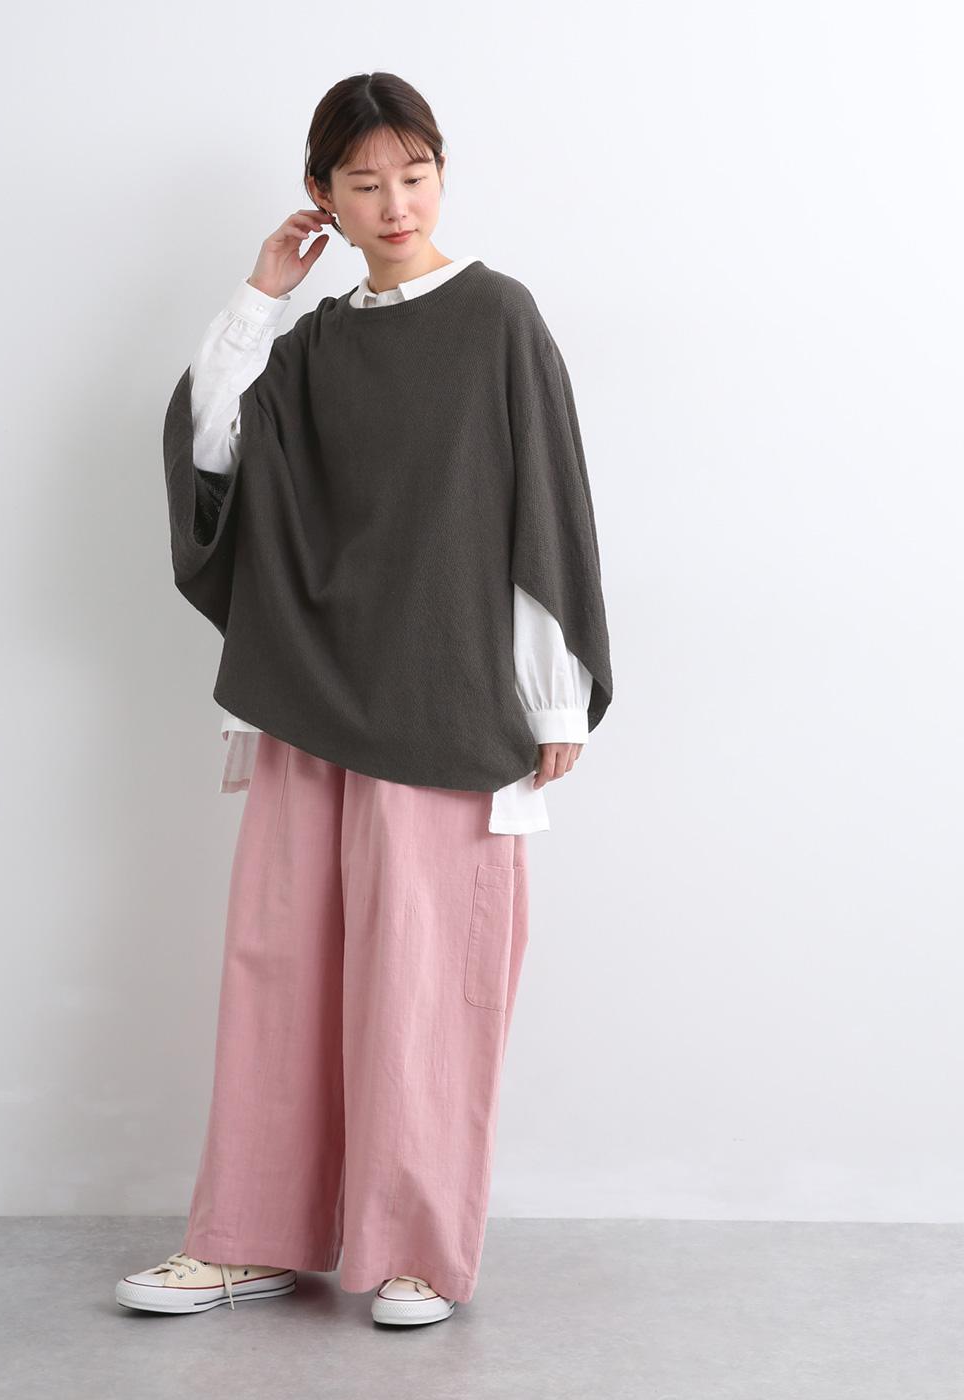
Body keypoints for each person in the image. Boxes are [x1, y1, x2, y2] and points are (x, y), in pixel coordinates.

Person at [115, 71, 613, 1328]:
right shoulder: (317, 342)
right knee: (277, 969)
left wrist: (553, 697)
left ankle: (415, 1250)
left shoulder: (497, 315)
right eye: (365, 182)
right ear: (322, 197)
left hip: (444, 700)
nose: (396, 202)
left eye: (415, 174)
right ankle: (247, 1237)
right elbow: (214, 452)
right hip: (308, 692)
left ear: (442, 173)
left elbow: (541, 500)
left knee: (422, 983)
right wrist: (261, 296)